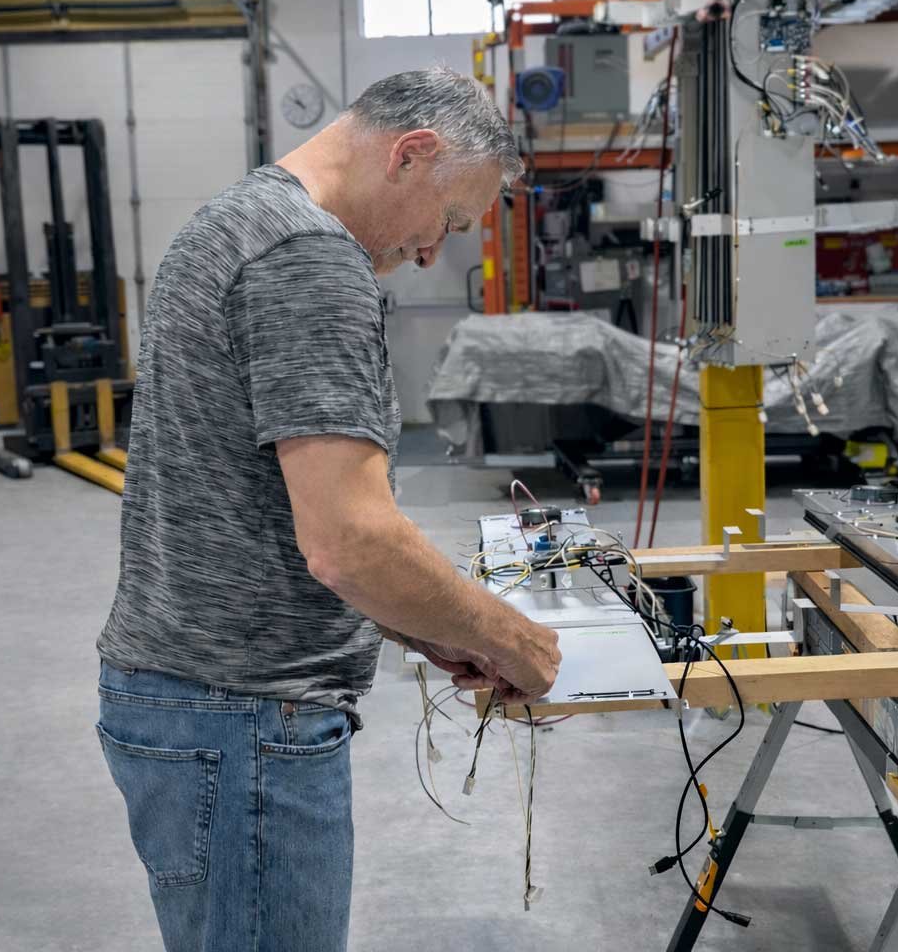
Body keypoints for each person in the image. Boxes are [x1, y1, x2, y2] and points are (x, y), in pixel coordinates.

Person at [95, 67, 562, 952]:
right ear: (411, 153)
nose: (434, 252)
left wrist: (428, 626)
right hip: (244, 719)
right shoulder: (308, 259)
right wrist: (510, 637)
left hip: (195, 703)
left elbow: (257, 511)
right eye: (451, 221)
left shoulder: (240, 218)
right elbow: (350, 542)